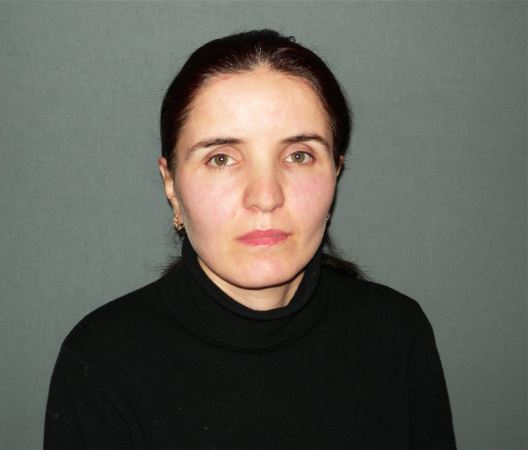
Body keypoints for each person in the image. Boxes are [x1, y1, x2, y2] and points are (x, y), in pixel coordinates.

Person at [44, 29, 456, 449]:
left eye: (298, 155)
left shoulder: (396, 336)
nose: (265, 196)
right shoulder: (101, 364)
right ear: (171, 184)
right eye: (221, 158)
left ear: (335, 171)